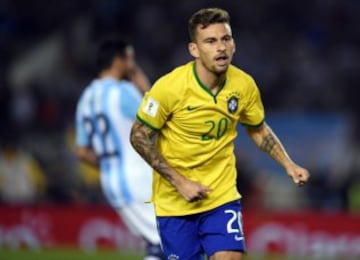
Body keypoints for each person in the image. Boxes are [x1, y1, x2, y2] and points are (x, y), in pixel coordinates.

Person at [130, 8, 310, 260]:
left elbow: (257, 128)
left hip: (221, 195)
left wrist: (288, 164)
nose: (221, 48)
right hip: (174, 202)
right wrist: (180, 182)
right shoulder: (169, 88)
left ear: (234, 44)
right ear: (194, 49)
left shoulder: (244, 85)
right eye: (211, 41)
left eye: (226, 39)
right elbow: (138, 136)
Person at [75, 37, 165, 260]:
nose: (133, 63)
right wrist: (141, 81)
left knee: (156, 244)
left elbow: (82, 151)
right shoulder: (123, 92)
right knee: (172, 240)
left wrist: (109, 163)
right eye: (130, 58)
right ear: (119, 61)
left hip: (111, 182)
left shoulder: (86, 98)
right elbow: (158, 112)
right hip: (138, 178)